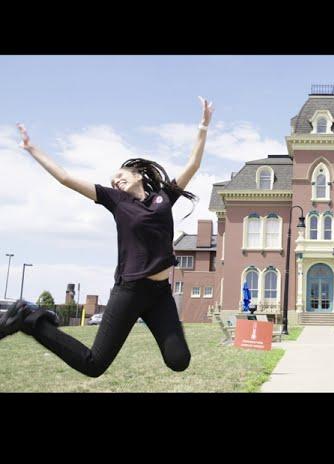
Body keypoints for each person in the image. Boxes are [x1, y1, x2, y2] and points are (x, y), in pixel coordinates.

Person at [0, 97, 214, 378]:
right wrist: (32, 150)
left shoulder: (164, 197)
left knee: (179, 360)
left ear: (138, 175)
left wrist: (203, 126)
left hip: (160, 294)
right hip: (130, 291)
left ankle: (30, 320)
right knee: (93, 364)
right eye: (113, 181)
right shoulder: (117, 201)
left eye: (120, 175)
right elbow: (65, 178)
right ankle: (31, 320)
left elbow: (194, 164)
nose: (115, 181)